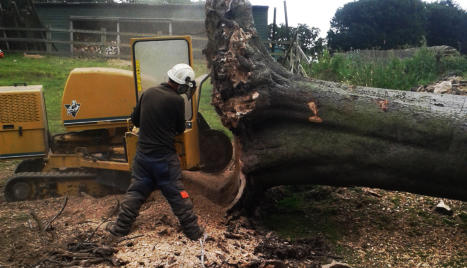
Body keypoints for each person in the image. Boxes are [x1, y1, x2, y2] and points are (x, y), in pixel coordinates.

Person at [106, 63, 203, 240]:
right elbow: (180, 129)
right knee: (177, 194)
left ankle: (118, 230)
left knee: (135, 192)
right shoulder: (176, 101)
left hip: (142, 157)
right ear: (181, 85)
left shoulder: (148, 93)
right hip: (164, 160)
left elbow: (136, 120)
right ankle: (194, 232)